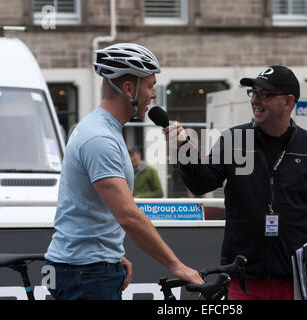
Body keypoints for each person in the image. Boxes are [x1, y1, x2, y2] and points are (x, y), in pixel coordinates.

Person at [163, 65, 307, 300]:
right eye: (254, 93)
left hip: (295, 282)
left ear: (288, 102)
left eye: (265, 94)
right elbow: (201, 184)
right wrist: (183, 149)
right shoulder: (234, 140)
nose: (256, 100)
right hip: (242, 279)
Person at [44, 43, 203, 300]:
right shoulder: (99, 138)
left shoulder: (104, 130)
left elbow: (86, 205)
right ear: (129, 88)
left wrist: (112, 253)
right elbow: (128, 215)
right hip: (84, 272)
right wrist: (177, 265)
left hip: (88, 266)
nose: (153, 95)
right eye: (150, 86)